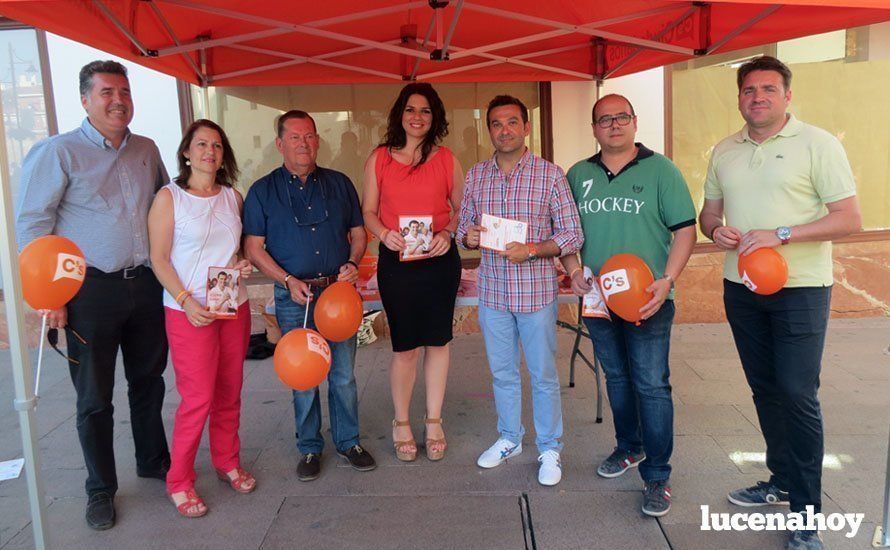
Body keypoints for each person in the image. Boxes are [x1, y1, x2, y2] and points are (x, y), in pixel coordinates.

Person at [698, 56, 860, 550]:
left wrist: (782, 234)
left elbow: (849, 218)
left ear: (787, 95)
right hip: (742, 288)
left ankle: (807, 515)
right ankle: (781, 479)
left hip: (802, 290)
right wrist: (716, 230)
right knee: (765, 389)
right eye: (749, 90)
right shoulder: (724, 150)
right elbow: (708, 214)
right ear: (740, 97)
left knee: (796, 392)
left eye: (769, 89)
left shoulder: (819, 145)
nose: (758, 97)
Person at [15, 60, 170, 530]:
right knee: (94, 398)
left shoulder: (146, 148)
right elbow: (33, 226)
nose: (117, 99)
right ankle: (100, 488)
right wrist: (50, 296)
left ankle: (153, 461)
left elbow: (166, 202)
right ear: (85, 99)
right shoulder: (57, 153)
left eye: (123, 90)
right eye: (106, 92)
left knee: (150, 382)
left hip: (144, 284)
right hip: (89, 291)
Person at [560, 94, 697, 517]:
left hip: (648, 299)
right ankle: (629, 448)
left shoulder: (662, 171)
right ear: (594, 128)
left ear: (634, 122)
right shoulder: (577, 174)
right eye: (605, 119)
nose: (614, 125)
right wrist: (573, 269)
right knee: (617, 379)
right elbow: (566, 234)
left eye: (621, 118)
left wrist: (667, 280)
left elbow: (685, 231)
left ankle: (657, 476)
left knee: (651, 385)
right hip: (600, 300)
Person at [457, 95, 583, 485]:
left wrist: (531, 249)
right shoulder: (477, 175)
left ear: (526, 128)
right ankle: (510, 438)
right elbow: (463, 229)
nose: (504, 130)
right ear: (489, 129)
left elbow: (572, 233)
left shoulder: (550, 174)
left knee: (543, 374)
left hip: (535, 294)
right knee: (502, 373)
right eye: (496, 123)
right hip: (493, 293)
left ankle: (549, 448)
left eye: (512, 122)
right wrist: (471, 236)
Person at [244, 110, 376, 480]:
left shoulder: (339, 183)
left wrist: (352, 262)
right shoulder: (262, 191)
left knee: (344, 374)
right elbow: (254, 248)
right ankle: (309, 448)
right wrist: (286, 280)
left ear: (319, 141)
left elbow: (359, 234)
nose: (305, 144)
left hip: (338, 294)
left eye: (311, 136)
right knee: (303, 375)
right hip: (294, 296)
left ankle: (349, 441)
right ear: (280, 144)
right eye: (296, 137)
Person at [147, 119, 255, 517]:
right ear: (186, 152)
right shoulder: (168, 198)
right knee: (197, 399)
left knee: (230, 391)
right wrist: (184, 300)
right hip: (187, 311)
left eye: (217, 145)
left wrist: (241, 265)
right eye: (202, 144)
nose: (210, 151)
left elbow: (236, 250)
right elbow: (158, 259)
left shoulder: (232, 197)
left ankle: (227, 460)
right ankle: (179, 480)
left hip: (233, 306)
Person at [362, 82, 464, 462]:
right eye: (410, 109)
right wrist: (384, 234)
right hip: (397, 262)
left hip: (439, 262)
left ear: (434, 117)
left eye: (424, 110)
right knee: (405, 347)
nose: (417, 117)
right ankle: (401, 421)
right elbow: (368, 212)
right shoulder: (379, 158)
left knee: (438, 342)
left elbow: (461, 208)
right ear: (399, 115)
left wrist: (449, 233)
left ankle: (433, 419)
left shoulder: (446, 158)